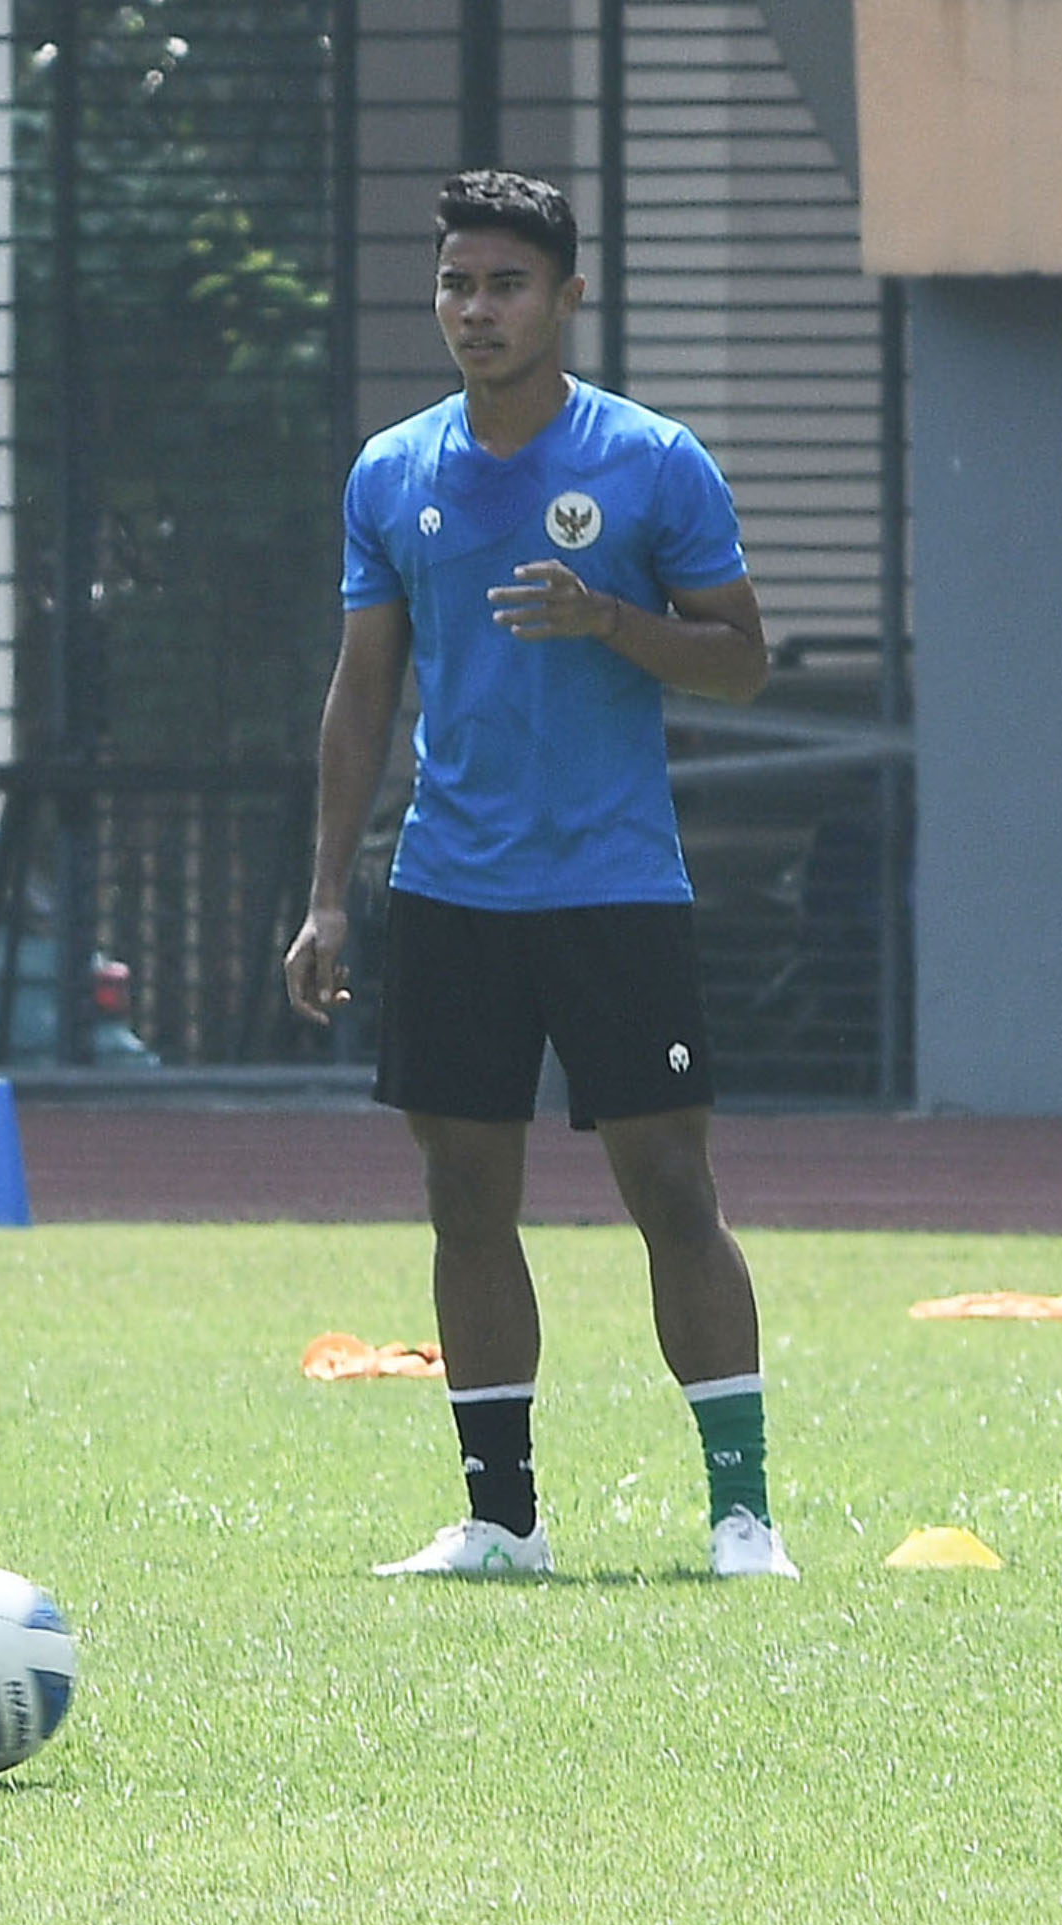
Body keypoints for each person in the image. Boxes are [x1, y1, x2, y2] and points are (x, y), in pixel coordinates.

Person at [283, 170, 794, 1582]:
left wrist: (610, 621)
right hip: (453, 888)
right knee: (464, 1202)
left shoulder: (651, 460)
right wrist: (331, 891)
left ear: (567, 297)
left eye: (506, 285)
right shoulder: (393, 472)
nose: (477, 310)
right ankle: (503, 1522)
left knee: (674, 1189)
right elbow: (361, 690)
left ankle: (743, 1518)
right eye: (456, 284)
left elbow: (744, 661)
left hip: (618, 885)